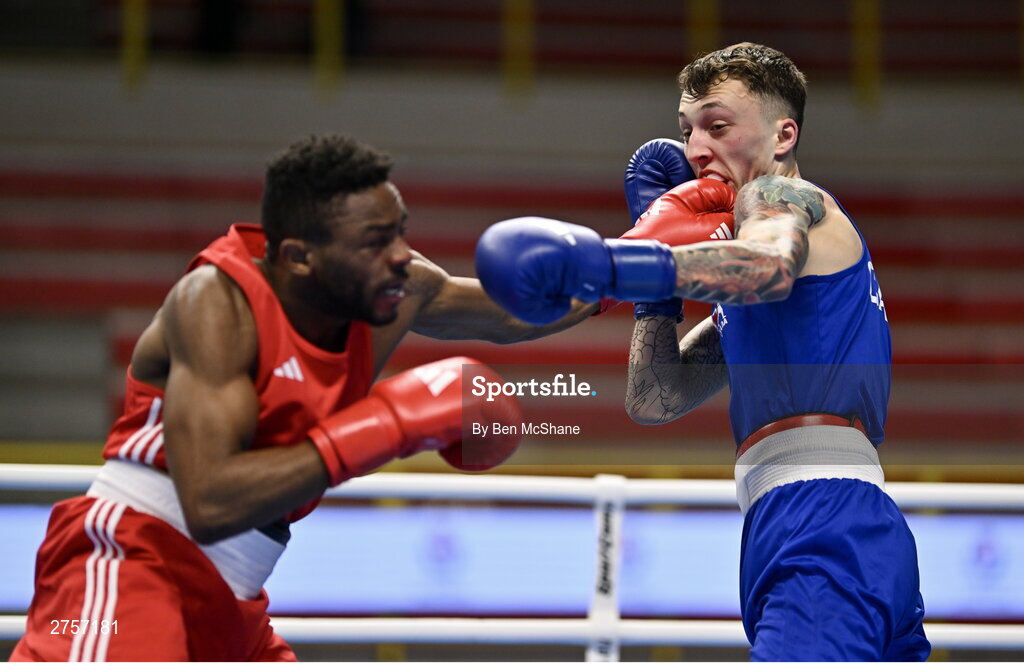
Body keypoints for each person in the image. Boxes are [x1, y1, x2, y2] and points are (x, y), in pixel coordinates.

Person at [11, 134, 590, 662]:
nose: (399, 255)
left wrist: (635, 268)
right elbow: (209, 504)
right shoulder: (218, 304)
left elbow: (516, 312)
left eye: (399, 232)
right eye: (373, 242)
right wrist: (389, 423)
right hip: (133, 561)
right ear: (298, 257)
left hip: (234, 595)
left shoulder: (396, 287)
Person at [475, 43, 930, 661]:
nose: (695, 149)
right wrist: (655, 294)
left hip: (819, 522)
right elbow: (656, 397)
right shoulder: (765, 282)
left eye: (718, 126)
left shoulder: (782, 197)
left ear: (782, 135)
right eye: (687, 130)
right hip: (830, 522)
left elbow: (765, 266)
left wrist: (615, 260)